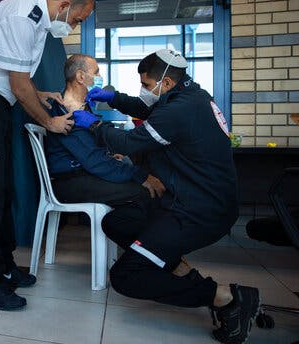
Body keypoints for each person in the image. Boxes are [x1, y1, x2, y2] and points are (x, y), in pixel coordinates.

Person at [72, 49, 261, 344]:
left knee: (126, 276)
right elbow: (146, 108)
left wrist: (94, 125)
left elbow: (129, 142)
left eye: (147, 85)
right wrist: (113, 98)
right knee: (117, 222)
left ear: (167, 83)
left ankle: (226, 298)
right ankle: (181, 269)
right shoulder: (189, 96)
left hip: (199, 212)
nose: (144, 91)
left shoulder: (180, 110)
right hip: (185, 201)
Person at [0, 0, 95, 310]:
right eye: (76, 20)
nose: (73, 27)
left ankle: (3, 267)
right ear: (64, 6)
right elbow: (18, 84)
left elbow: (18, 77)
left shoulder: (36, 20)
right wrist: (49, 121)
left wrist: (39, 95)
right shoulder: (23, 16)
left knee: (0, 192)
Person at [45, 54, 165, 208]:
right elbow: (94, 160)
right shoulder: (68, 111)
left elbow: (89, 150)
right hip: (70, 181)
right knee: (145, 191)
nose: (99, 77)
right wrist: (142, 176)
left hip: (84, 172)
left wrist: (108, 154)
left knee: (130, 169)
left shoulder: (82, 106)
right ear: (81, 76)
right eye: (96, 72)